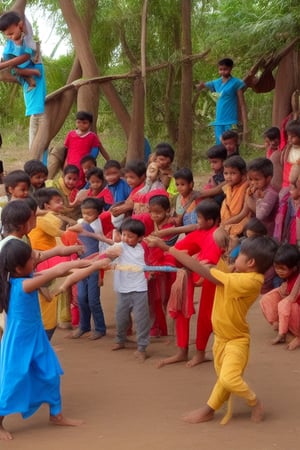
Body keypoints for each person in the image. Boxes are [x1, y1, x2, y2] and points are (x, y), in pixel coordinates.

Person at [0, 238, 113, 440]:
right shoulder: (24, 284)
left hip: (36, 337)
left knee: (51, 373)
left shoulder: (28, 277)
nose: (35, 258)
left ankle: (56, 415)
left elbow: (68, 270)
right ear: (18, 268)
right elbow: (60, 270)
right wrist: (95, 264)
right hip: (18, 341)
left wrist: (95, 260)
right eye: (30, 258)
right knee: (13, 381)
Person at [160, 235, 278, 424]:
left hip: (236, 340)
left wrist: (168, 249)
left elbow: (209, 273)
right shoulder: (239, 274)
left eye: (238, 255)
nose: (233, 258)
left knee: (230, 379)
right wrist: (222, 252)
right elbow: (215, 267)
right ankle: (209, 410)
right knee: (224, 379)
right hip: (222, 339)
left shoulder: (252, 281)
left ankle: (255, 402)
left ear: (250, 262)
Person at [146, 200, 223, 368]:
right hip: (194, 270)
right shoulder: (203, 230)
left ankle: (200, 353)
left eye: (200, 218)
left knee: (205, 315)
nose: (198, 222)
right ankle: (182, 350)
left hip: (209, 276)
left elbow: (207, 269)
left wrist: (170, 249)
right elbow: (190, 231)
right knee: (181, 307)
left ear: (211, 221)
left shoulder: (216, 235)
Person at [0, 10, 46, 149]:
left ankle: (32, 73)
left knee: (37, 114)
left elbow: (26, 56)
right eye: (7, 35)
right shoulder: (9, 45)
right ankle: (26, 74)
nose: (10, 37)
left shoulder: (28, 39)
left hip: (32, 67)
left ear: (20, 25)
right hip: (22, 71)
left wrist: (4, 65)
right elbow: (10, 59)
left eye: (12, 33)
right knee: (16, 71)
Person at [68, 198, 108, 340]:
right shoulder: (80, 224)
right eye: (84, 213)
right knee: (80, 297)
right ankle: (84, 326)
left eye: (90, 214)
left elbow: (103, 247)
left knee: (93, 299)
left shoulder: (98, 227)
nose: (86, 217)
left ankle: (100, 328)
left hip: (94, 267)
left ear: (97, 213)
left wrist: (101, 273)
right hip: (81, 265)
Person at [111, 218, 151, 361]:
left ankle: (142, 347)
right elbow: (108, 256)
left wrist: (149, 272)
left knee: (141, 319)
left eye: (130, 236)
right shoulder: (119, 247)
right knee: (121, 317)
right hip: (122, 289)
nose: (125, 238)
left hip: (140, 288)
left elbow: (150, 262)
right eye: (124, 235)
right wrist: (111, 256)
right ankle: (120, 339)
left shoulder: (143, 248)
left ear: (140, 238)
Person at [196, 58, 247, 144]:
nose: (222, 72)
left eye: (225, 69)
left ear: (231, 68)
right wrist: (200, 86)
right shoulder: (216, 82)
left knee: (231, 145)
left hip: (231, 121)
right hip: (219, 121)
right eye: (220, 69)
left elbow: (242, 104)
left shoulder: (236, 83)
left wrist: (245, 124)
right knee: (220, 146)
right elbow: (205, 85)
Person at [260, 244, 300, 350]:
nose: (278, 271)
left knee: (285, 305)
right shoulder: (290, 276)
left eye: (282, 268)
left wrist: (281, 334)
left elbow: (288, 301)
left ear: (294, 268)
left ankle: (287, 334)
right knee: (268, 298)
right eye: (276, 267)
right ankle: (283, 328)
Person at [64, 111, 110, 188]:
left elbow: (97, 150)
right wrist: (65, 164)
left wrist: (109, 160)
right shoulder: (70, 134)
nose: (81, 125)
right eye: (78, 122)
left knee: (83, 184)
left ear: (90, 124)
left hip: (84, 167)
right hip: (71, 165)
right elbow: (68, 151)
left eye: (84, 123)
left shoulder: (92, 136)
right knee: (69, 184)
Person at [220, 156, 250, 237]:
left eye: (233, 173)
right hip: (226, 222)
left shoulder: (247, 188)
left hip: (240, 223)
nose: (228, 177)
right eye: (226, 173)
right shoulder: (228, 188)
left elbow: (243, 214)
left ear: (243, 174)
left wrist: (224, 224)